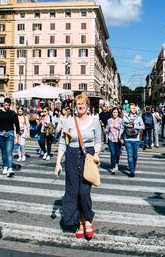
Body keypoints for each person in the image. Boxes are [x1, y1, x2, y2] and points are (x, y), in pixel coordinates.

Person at [54, 93, 101, 239]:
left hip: (88, 157)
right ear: (76, 106)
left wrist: (96, 154)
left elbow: (98, 141)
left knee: (84, 192)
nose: (80, 106)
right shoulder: (68, 122)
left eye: (83, 104)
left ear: (87, 106)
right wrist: (57, 164)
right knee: (73, 192)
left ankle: (88, 219)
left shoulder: (95, 122)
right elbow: (63, 143)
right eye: (78, 104)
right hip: (72, 157)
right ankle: (81, 222)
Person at [0, 98, 20, 177]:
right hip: (0, 135)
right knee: (4, 152)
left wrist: (17, 138)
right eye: (6, 105)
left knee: (9, 152)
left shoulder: (13, 113)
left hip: (10, 135)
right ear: (3, 104)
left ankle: (10, 168)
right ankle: (5, 166)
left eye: (9, 105)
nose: (7, 106)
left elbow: (17, 126)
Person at [121, 103, 145, 177]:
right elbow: (122, 128)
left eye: (134, 108)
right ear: (129, 109)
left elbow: (143, 127)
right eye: (132, 108)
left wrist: (136, 126)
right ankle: (131, 170)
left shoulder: (138, 117)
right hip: (127, 139)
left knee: (135, 156)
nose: (134, 110)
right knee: (130, 156)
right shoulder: (125, 117)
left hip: (136, 140)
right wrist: (121, 138)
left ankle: (133, 167)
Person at [107, 107, 123, 174]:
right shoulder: (109, 120)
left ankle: (116, 163)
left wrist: (122, 139)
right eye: (113, 112)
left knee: (117, 153)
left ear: (118, 113)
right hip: (111, 139)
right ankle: (113, 167)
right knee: (113, 153)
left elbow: (123, 130)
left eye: (116, 112)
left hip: (118, 139)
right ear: (112, 113)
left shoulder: (121, 120)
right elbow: (107, 129)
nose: (115, 114)